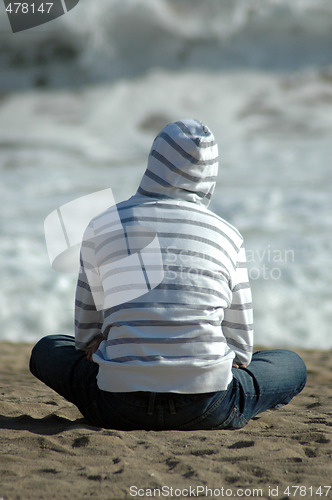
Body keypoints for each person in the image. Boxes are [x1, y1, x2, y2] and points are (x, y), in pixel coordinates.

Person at [30, 119, 307, 430]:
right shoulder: (227, 234)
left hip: (115, 404)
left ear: (154, 162)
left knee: (48, 348)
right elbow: (241, 349)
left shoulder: (104, 224)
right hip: (207, 404)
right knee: (291, 364)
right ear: (210, 175)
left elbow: (85, 338)